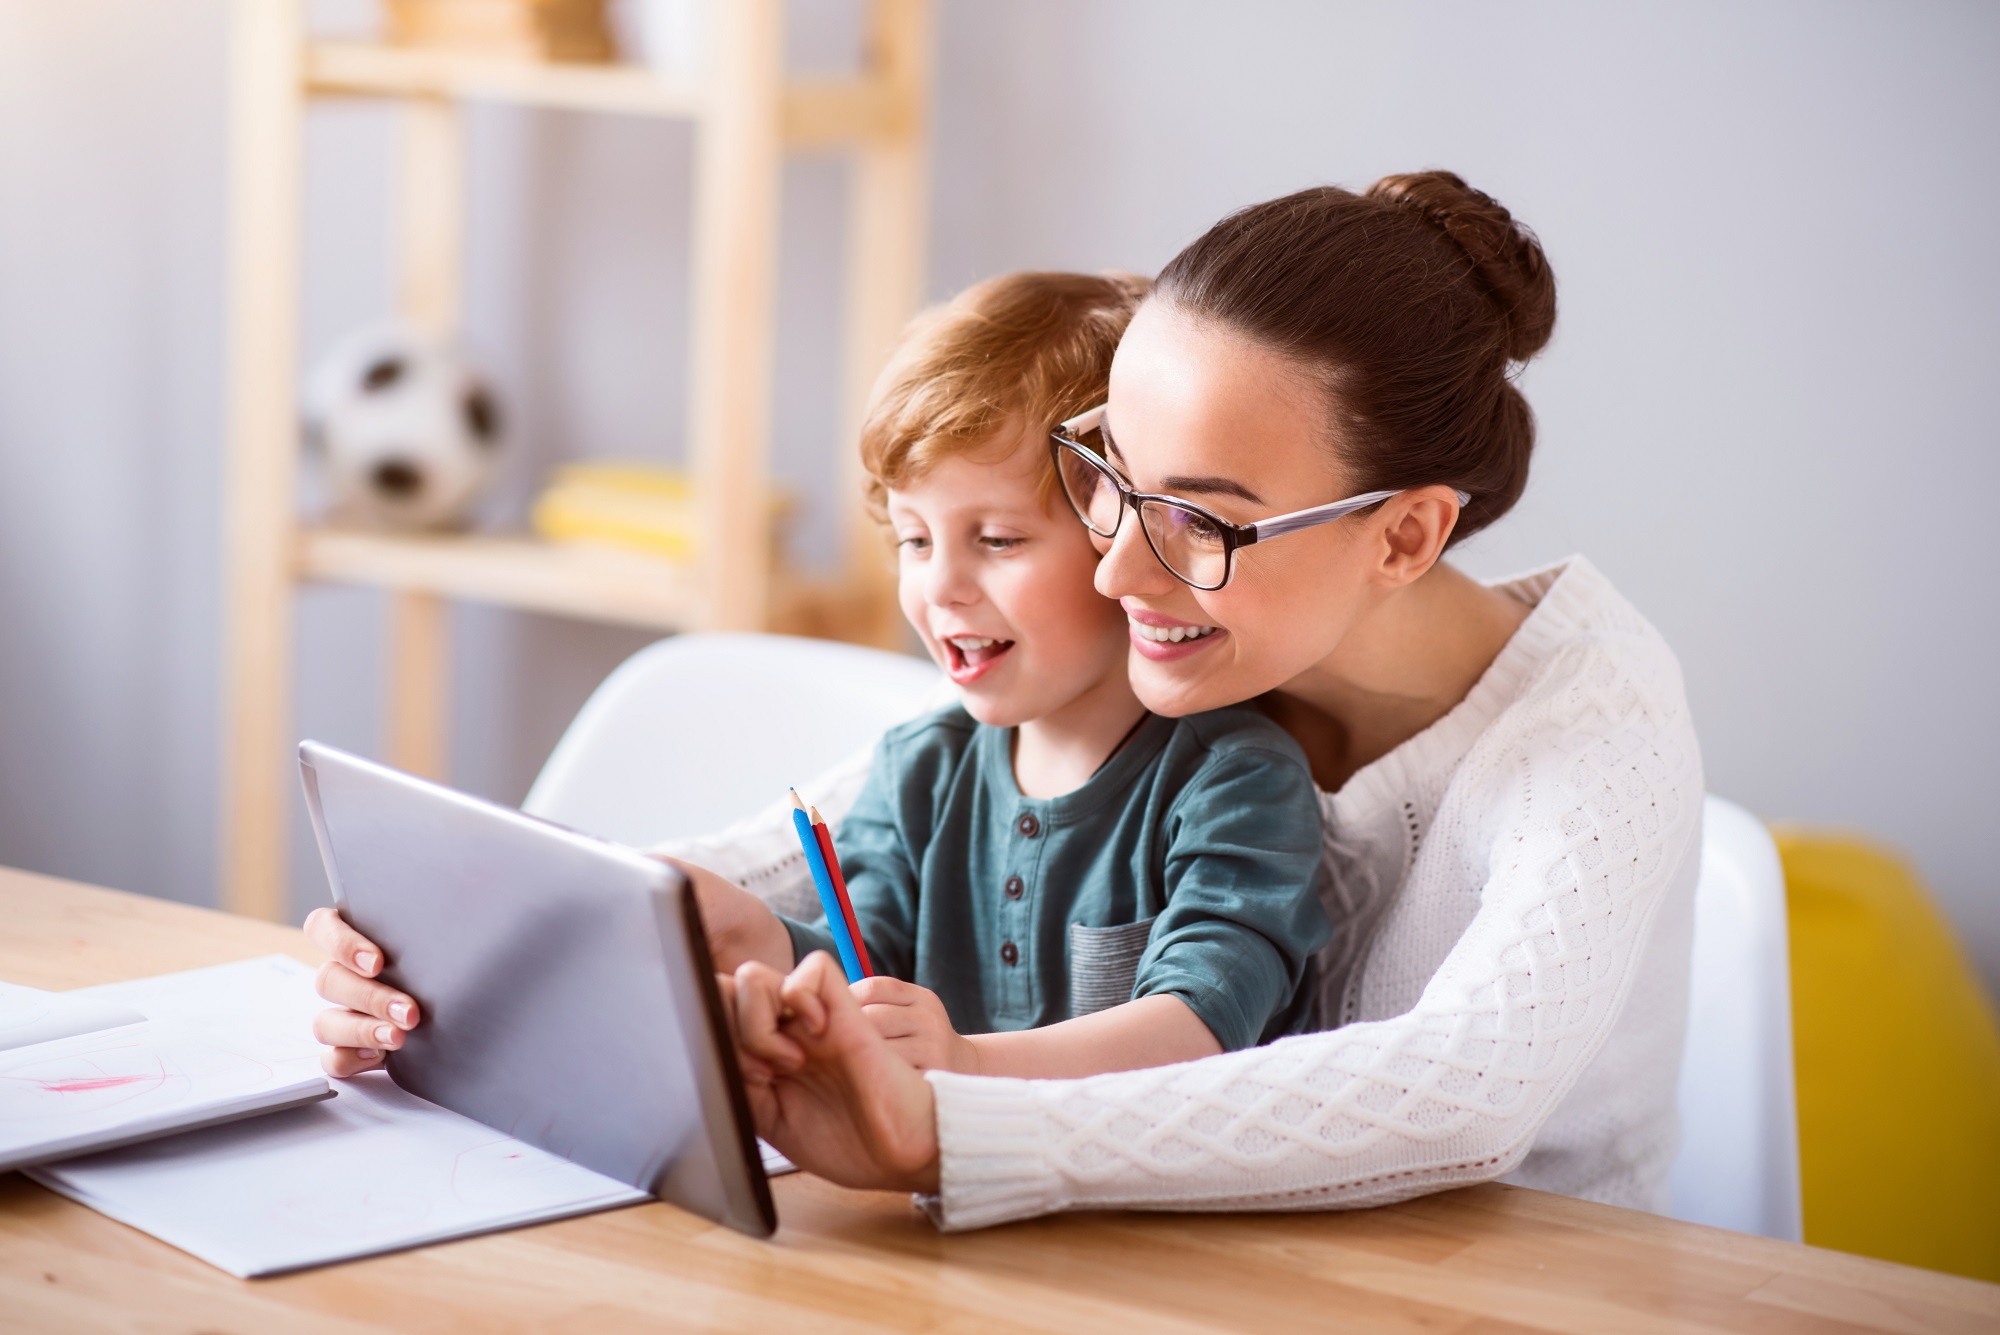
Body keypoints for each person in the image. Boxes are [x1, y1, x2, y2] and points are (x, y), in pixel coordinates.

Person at [312, 171, 1704, 1233]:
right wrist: (462, 946)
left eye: (1197, 520)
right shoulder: (1195, 652)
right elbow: (788, 854)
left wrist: (953, 1115)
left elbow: (1460, 1092)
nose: (1112, 567)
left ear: (1403, 536)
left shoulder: (1593, 729)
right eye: (1107, 476)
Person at [308, 270, 1333, 1090]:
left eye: (997, 539)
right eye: (913, 539)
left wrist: (966, 1063)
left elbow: (1200, 1026)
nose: (940, 587)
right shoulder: (924, 765)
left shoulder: (1234, 778)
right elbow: (866, 966)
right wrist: (755, 935)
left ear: (1126, 534)